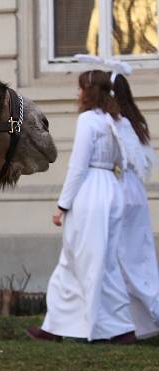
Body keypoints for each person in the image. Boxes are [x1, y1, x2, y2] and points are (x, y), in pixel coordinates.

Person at [27, 70, 135, 344]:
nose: (77, 94)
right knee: (89, 262)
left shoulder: (89, 121)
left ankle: (112, 328)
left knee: (87, 262)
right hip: (112, 186)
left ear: (89, 92)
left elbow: (78, 166)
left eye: (80, 89)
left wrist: (63, 205)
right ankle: (56, 326)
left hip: (92, 194)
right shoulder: (117, 120)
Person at [111, 70, 159, 337]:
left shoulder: (119, 124)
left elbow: (131, 162)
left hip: (125, 193)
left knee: (129, 260)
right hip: (134, 193)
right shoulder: (134, 121)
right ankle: (136, 324)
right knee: (133, 259)